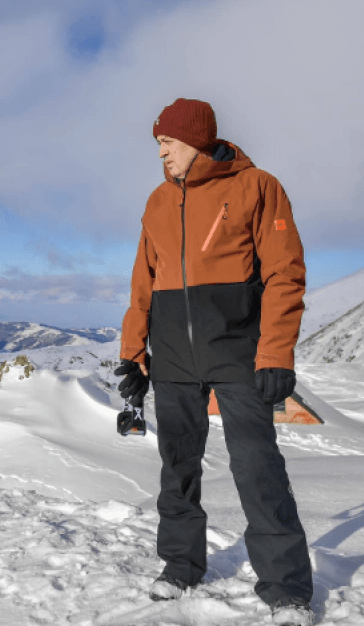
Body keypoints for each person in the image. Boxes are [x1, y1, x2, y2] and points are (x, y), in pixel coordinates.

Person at [115, 98, 313, 626]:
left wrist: (275, 352)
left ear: (198, 141)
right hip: (174, 360)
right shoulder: (157, 202)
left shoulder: (256, 186)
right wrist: (134, 355)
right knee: (176, 468)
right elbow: (143, 286)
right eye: (158, 145)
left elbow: (284, 273)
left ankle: (286, 589)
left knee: (257, 468)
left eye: (169, 144)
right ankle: (180, 567)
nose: (162, 154)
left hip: (238, 353)